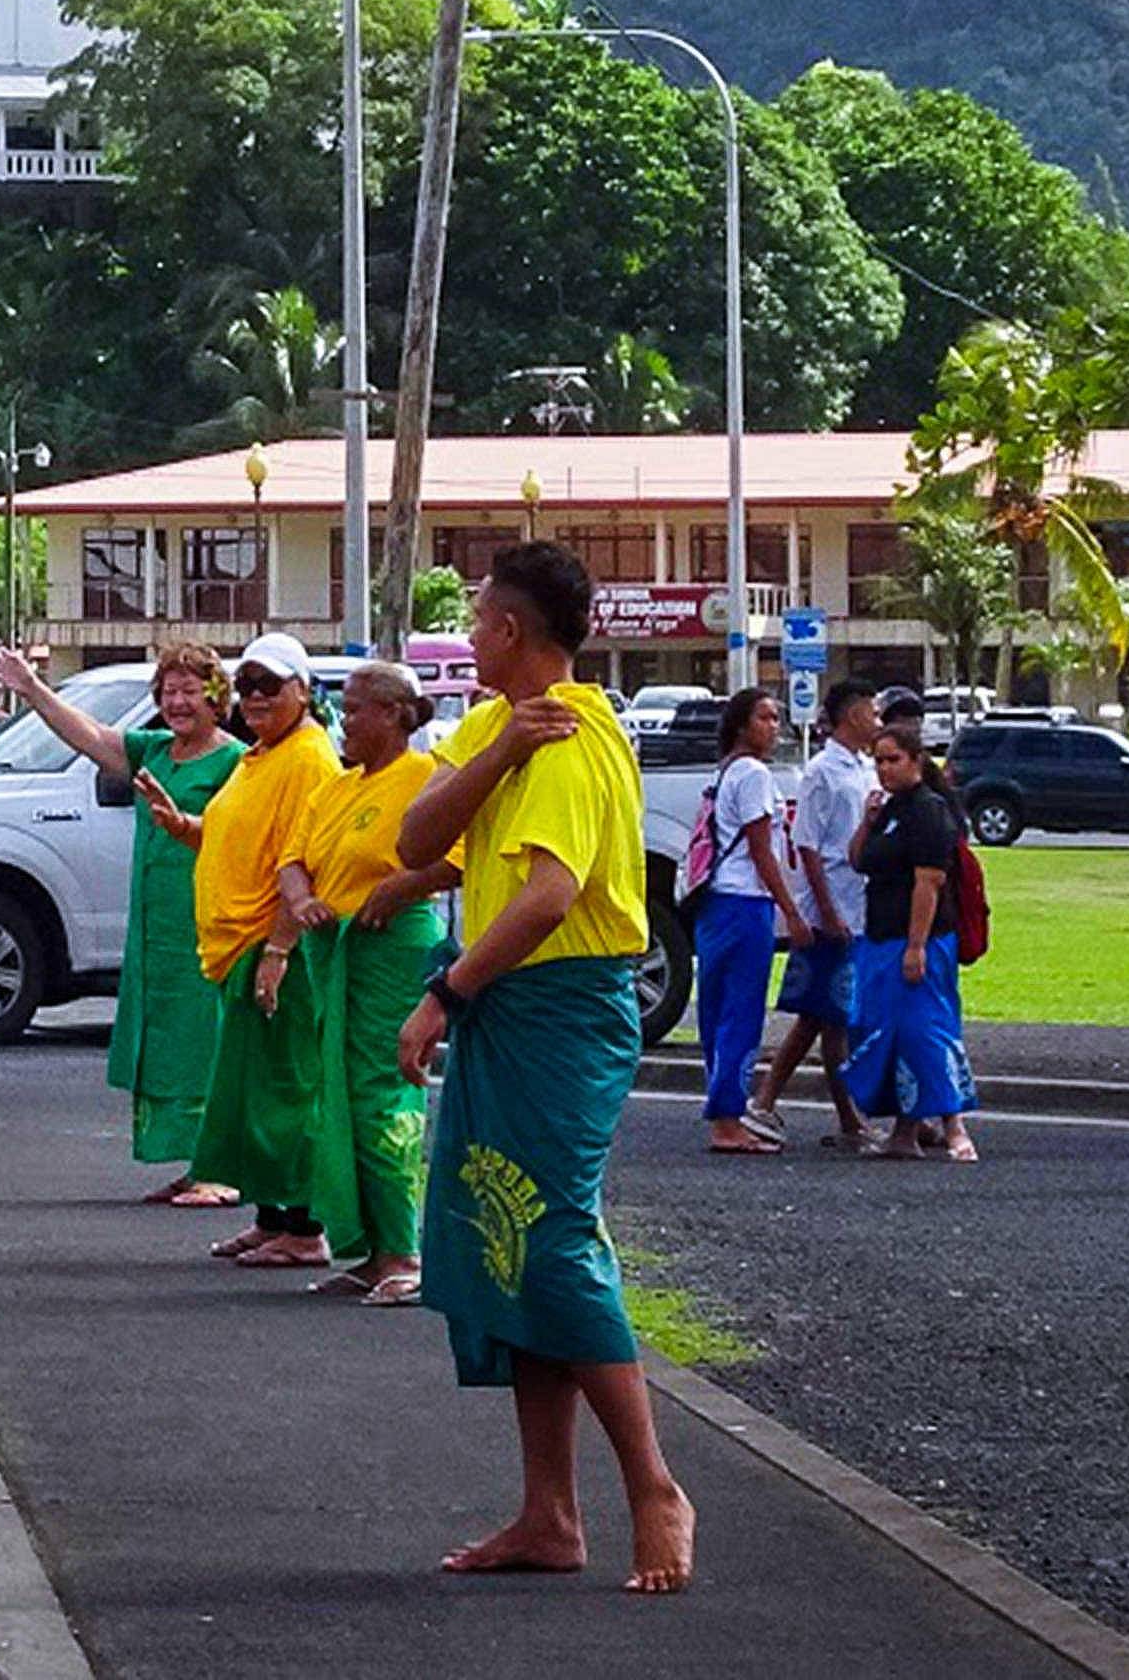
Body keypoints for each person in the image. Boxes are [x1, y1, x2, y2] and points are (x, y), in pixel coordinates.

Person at [395, 543, 692, 1596]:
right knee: (502, 1233)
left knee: (551, 1236)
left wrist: (446, 993)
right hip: (510, 1007)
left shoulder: (570, 738)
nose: (467, 637)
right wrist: (491, 756)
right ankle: (548, 1512)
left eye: (476, 622)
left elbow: (545, 898)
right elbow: (415, 836)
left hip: (558, 1009)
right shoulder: (501, 728)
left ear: (511, 633)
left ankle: (652, 1486)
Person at [0, 638, 242, 1200]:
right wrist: (34, 691)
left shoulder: (234, 761)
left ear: (215, 696)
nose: (178, 702)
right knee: (163, 1039)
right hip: (156, 926)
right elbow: (90, 737)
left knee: (205, 1038)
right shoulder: (153, 751)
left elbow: (243, 834)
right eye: (169, 691)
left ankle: (220, 1170)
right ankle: (193, 1163)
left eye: (190, 690)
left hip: (207, 923)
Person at [183, 633, 356, 1267]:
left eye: (269, 685)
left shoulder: (309, 759)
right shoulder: (262, 755)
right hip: (241, 946)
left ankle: (305, 1229)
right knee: (253, 1093)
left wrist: (280, 948)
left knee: (288, 1090)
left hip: (278, 950)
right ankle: (271, 1217)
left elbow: (302, 862)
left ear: (303, 692)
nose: (254, 697)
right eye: (246, 684)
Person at [296, 657, 463, 1300]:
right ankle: (366, 1247)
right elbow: (295, 858)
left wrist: (403, 886)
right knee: (336, 1093)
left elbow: (457, 858)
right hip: (335, 951)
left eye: (357, 706)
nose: (345, 718)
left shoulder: (425, 777)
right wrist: (300, 897)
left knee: (386, 1092)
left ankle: (404, 1250)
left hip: (391, 947)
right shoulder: (336, 788)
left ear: (395, 714)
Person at [841, 721, 979, 1159]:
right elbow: (859, 859)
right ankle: (905, 1131)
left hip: (917, 940)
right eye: (878, 761)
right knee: (886, 1034)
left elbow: (930, 882)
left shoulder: (928, 810)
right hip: (880, 939)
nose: (884, 769)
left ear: (916, 761)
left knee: (924, 1032)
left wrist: (916, 945)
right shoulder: (893, 811)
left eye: (893, 759)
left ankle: (954, 1125)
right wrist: (868, 821)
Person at [753, 678, 880, 1150]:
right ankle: (844, 1118)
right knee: (828, 1017)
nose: (877, 720)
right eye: (870, 711)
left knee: (823, 1016)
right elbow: (808, 843)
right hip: (834, 908)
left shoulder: (864, 768)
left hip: (858, 905)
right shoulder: (822, 771)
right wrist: (824, 909)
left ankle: (770, 1101)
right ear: (850, 715)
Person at [684, 688, 807, 1154]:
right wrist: (790, 911)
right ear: (741, 724)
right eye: (764, 718)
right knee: (741, 1012)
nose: (773, 727)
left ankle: (724, 1107)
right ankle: (728, 1117)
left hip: (716, 903)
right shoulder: (753, 774)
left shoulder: (725, 772)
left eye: (777, 719)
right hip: (745, 903)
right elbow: (762, 851)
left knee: (716, 1013)